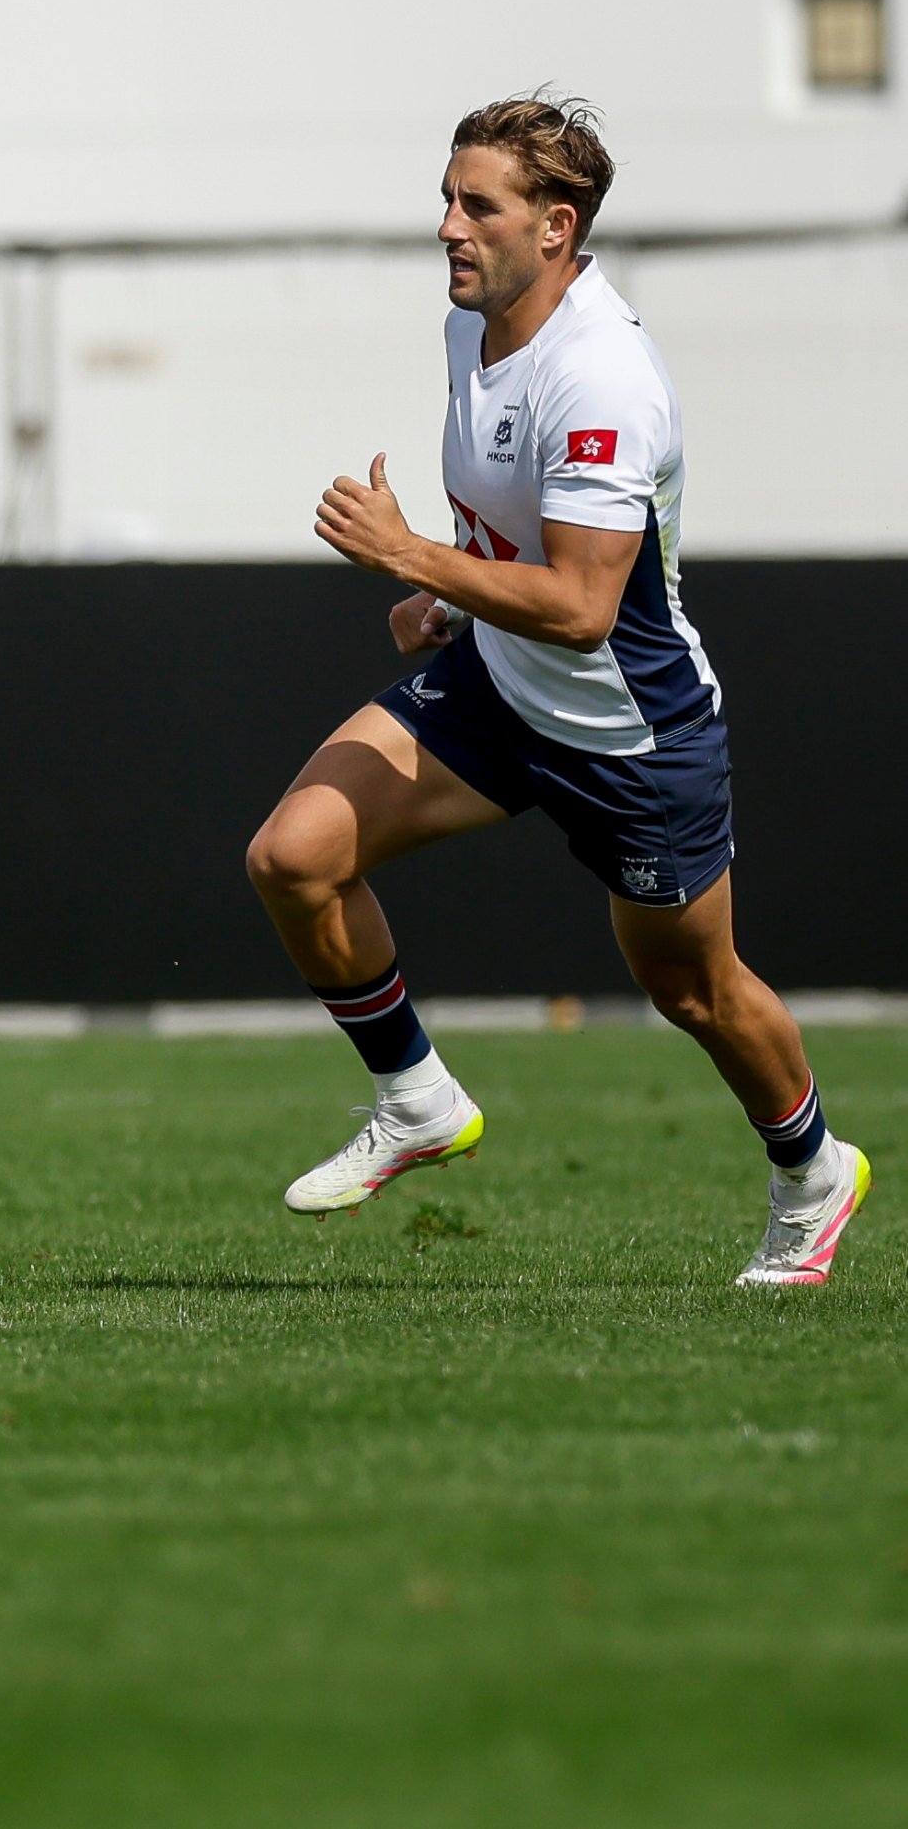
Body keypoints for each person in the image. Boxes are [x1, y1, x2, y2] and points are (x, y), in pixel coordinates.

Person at [244, 96, 867, 1286]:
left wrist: (411, 557)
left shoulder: (604, 375)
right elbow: (514, 544)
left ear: (557, 228)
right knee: (294, 854)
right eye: (447, 198)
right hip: (495, 685)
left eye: (479, 205)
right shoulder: (470, 329)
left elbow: (585, 608)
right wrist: (450, 598)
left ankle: (811, 1170)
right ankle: (418, 1101)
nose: (448, 227)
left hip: (629, 731)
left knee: (695, 991)